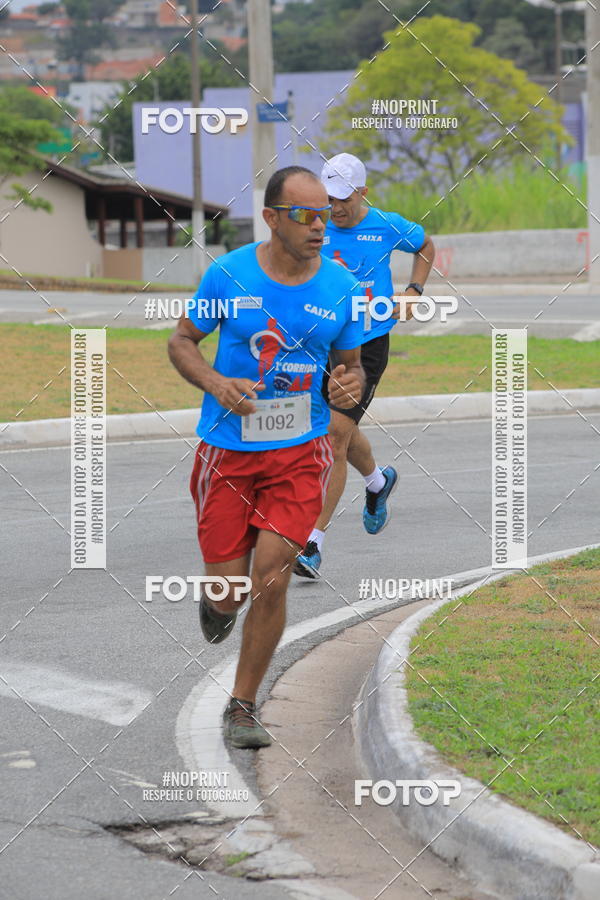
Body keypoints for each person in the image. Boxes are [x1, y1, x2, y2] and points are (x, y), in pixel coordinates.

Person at [168, 165, 364, 749]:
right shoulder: (229, 275)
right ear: (272, 217)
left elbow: (348, 364)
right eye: (305, 215)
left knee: (273, 577)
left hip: (301, 453)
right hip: (228, 452)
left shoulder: (341, 287)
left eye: (326, 214)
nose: (319, 227)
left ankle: (244, 705)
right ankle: (218, 601)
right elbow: (182, 342)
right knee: (230, 589)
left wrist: (346, 384)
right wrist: (214, 383)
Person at [295, 152, 435, 578]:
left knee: (335, 437)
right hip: (322, 343)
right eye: (327, 197)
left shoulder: (387, 225)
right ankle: (378, 482)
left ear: (362, 193)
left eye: (342, 198)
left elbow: (426, 245)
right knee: (334, 429)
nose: (333, 207)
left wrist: (413, 290)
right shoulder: (314, 226)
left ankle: (311, 545)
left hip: (369, 344)